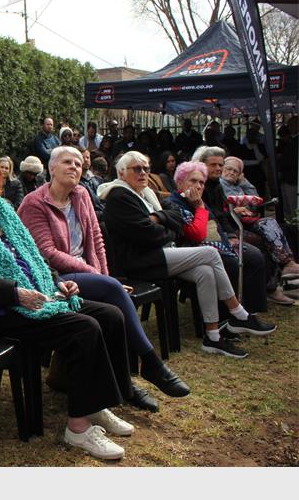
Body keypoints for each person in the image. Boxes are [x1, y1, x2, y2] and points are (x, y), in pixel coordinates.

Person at [0, 148, 141, 461]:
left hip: (37, 295)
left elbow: (34, 259)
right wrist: (14, 294)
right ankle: (78, 427)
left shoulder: (4, 210)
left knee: (110, 315)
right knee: (84, 328)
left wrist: (58, 281)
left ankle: (96, 405)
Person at [18, 146, 189, 401]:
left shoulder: (81, 194)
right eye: (67, 162)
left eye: (78, 163)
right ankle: (149, 364)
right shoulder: (35, 202)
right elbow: (48, 253)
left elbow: (97, 239)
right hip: (52, 278)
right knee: (112, 293)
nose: (74, 167)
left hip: (87, 275)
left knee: (114, 306)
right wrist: (105, 280)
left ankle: (124, 384)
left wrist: (105, 276)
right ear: (51, 168)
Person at [99, 151, 276, 359]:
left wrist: (159, 219)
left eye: (146, 168)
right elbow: (148, 234)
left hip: (163, 251)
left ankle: (213, 336)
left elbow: (175, 219)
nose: (143, 173)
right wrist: (168, 226)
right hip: (141, 261)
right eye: (137, 169)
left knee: (204, 272)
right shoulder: (119, 196)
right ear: (121, 173)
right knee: (210, 253)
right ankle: (239, 314)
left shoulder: (147, 193)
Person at [170, 160, 293, 308]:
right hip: (195, 250)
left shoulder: (197, 199)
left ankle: (253, 309)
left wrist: (227, 239)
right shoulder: (176, 203)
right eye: (193, 181)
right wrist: (200, 207)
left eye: (202, 183)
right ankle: (233, 313)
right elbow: (197, 234)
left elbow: (217, 223)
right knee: (234, 261)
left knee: (256, 254)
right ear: (179, 183)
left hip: (220, 239)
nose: (198, 186)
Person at [194, 146, 282, 304]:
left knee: (267, 239)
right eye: (213, 165)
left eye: (220, 165)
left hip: (229, 227)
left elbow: (223, 214)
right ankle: (253, 301)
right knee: (256, 251)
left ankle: (265, 291)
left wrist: (231, 232)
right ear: (202, 165)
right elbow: (211, 216)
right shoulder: (201, 184)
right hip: (209, 236)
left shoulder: (216, 185)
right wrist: (231, 235)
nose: (219, 169)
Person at [220, 156, 299, 289]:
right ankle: (285, 267)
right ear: (222, 169)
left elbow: (256, 201)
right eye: (229, 169)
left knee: (288, 229)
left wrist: (244, 181)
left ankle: (289, 276)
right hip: (232, 222)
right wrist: (235, 209)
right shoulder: (220, 184)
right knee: (268, 226)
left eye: (236, 171)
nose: (232, 173)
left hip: (247, 219)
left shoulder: (238, 185)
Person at [78, 147, 105, 220]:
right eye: (83, 158)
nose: (86, 160)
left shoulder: (97, 179)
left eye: (87, 157)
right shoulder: (77, 183)